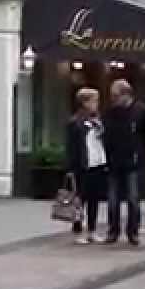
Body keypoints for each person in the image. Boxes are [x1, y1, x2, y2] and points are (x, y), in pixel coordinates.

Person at [103, 79, 145, 246]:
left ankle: (133, 231)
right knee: (113, 199)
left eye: (116, 96)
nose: (113, 99)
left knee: (133, 198)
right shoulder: (110, 113)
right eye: (112, 96)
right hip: (114, 161)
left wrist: (142, 155)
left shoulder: (140, 111)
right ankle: (113, 230)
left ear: (126, 95)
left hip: (133, 161)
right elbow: (106, 135)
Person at [65, 87, 107, 244]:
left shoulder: (97, 121)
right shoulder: (75, 122)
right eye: (94, 101)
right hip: (82, 166)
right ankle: (77, 231)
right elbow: (71, 147)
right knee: (79, 200)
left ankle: (92, 230)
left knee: (94, 199)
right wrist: (70, 168)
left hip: (96, 163)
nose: (96, 104)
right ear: (85, 103)